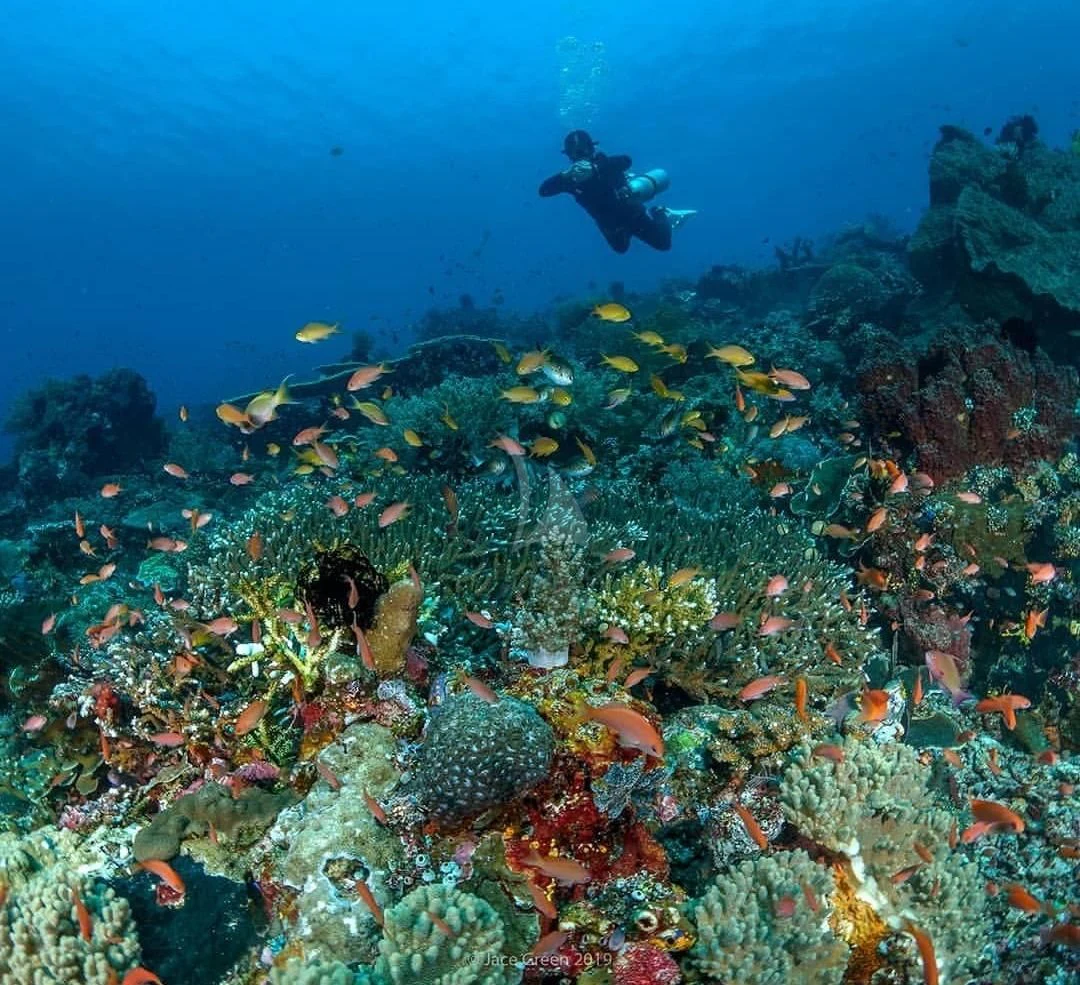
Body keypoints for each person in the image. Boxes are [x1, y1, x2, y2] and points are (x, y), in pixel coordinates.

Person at [538, 130, 696, 253]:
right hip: (609, 225)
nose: (580, 156)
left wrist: (595, 168)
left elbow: (625, 161)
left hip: (634, 215)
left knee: (663, 244)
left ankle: (660, 212)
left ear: (592, 149)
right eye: (575, 153)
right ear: (569, 156)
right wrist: (565, 175)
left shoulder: (604, 163)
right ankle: (626, 232)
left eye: (584, 150)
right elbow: (543, 191)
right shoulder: (570, 180)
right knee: (621, 249)